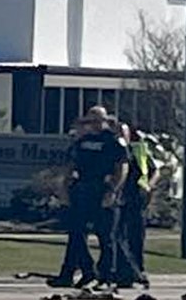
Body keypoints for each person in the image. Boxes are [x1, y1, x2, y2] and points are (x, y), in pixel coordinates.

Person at [49, 106, 128, 289]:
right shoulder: (82, 142)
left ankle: (106, 277)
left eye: (96, 121)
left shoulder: (114, 142)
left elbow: (122, 167)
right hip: (82, 189)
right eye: (89, 121)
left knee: (106, 237)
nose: (92, 125)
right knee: (77, 233)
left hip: (103, 189)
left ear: (105, 121)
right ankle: (87, 271)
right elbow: (71, 165)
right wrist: (64, 188)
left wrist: (113, 190)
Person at [115, 122, 152, 288]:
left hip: (135, 196)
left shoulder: (135, 150)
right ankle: (129, 272)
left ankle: (135, 272)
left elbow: (145, 171)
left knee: (132, 236)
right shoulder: (125, 149)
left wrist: (149, 185)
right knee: (121, 235)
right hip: (130, 196)